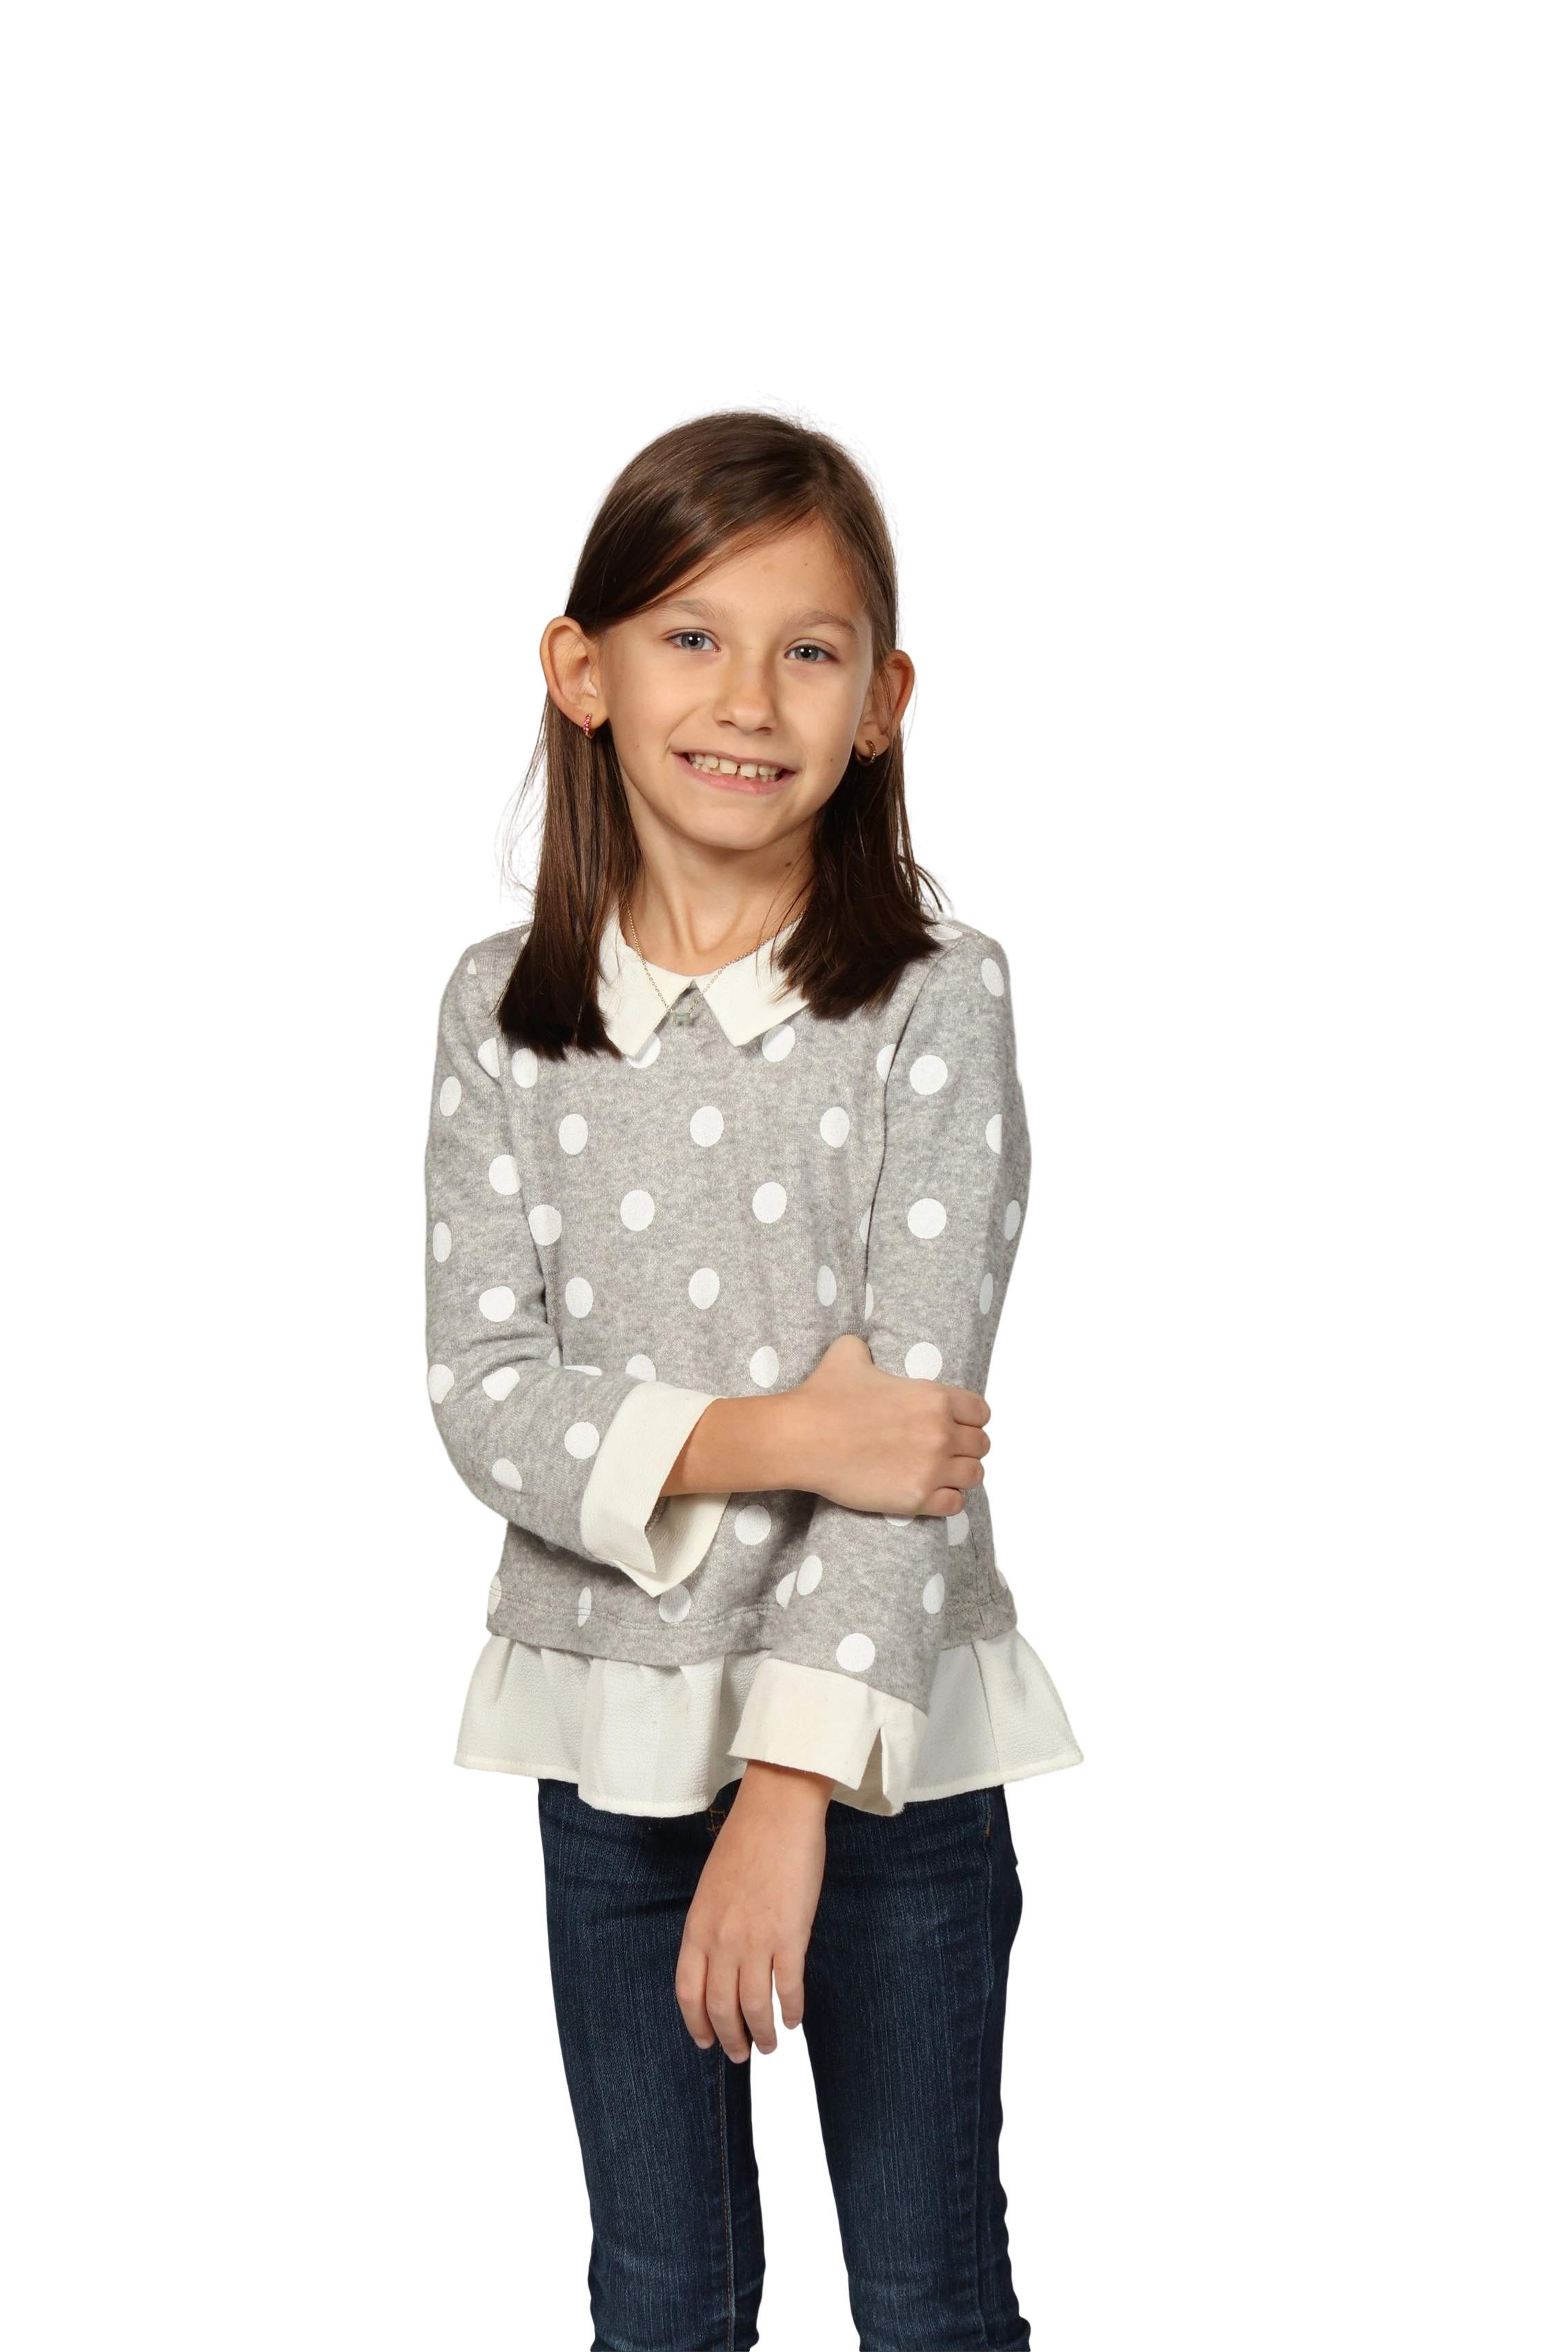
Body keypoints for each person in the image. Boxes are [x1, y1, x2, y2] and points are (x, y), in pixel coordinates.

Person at [420, 393, 1085, 2352]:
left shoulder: (939, 1001)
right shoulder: (496, 1008)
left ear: (885, 700)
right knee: (663, 2298)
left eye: (809, 648)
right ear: (584, 671)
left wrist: (791, 1795)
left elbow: (920, 1441)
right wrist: (783, 1431)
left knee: (930, 2294)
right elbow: (484, 1392)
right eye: (693, 635)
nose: (746, 697)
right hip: (609, 1746)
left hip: (887, 1761)